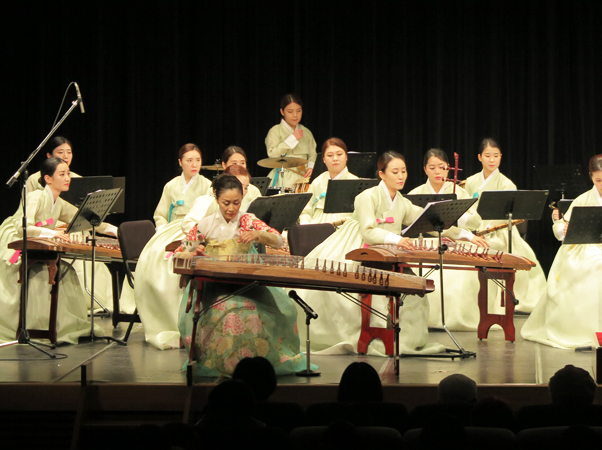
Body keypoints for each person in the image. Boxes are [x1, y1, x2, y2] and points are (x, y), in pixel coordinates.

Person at [294, 151, 485, 356]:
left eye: (403, 171)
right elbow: (368, 231)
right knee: (343, 294)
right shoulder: (366, 197)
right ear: (382, 174)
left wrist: (466, 235)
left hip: (387, 251)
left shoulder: (401, 201)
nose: (401, 176)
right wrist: (397, 239)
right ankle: (367, 335)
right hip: (356, 247)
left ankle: (403, 340)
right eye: (395, 172)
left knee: (413, 292)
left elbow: (430, 220)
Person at [175, 174, 309, 376]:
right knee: (231, 311)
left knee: (284, 311)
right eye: (225, 203)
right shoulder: (205, 225)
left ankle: (255, 364)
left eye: (236, 203)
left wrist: (258, 235)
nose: (231, 208)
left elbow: (278, 240)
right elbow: (179, 252)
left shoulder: (247, 219)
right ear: (216, 198)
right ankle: (223, 363)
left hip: (246, 282)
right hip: (215, 284)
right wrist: (193, 253)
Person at [0, 157, 116, 344]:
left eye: (68, 173)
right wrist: (51, 232)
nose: (67, 178)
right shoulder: (36, 196)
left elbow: (87, 218)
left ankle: (57, 325)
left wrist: (117, 231)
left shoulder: (59, 202)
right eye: (62, 174)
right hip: (15, 240)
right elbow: (24, 227)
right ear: (48, 178)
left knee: (66, 274)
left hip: (39, 243)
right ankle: (28, 326)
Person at [130, 144, 212, 350]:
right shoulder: (170, 186)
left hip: (195, 229)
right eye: (189, 160)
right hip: (172, 227)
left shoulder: (207, 185)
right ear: (180, 162)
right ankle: (159, 311)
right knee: (154, 257)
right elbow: (160, 213)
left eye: (198, 160)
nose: (194, 165)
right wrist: (162, 228)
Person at [521, 155, 602, 348]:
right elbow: (559, 227)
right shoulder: (583, 199)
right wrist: (563, 230)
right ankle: (589, 328)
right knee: (596, 265)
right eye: (598, 180)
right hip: (585, 248)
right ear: (591, 177)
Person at [464, 138, 546, 313]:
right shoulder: (470, 182)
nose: (492, 160)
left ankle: (502, 298)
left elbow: (506, 217)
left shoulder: (507, 184)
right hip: (474, 232)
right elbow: (467, 211)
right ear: (479, 157)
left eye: (496, 156)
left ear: (501, 157)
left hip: (499, 232)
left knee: (495, 247)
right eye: (487, 156)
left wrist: (486, 230)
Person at [408, 149, 487, 331]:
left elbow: (476, 220)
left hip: (455, 242)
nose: (438, 172)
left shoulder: (459, 192)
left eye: (442, 168)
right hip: (426, 244)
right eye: (432, 167)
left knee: (461, 277)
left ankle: (457, 320)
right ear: (425, 170)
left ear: (448, 170)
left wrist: (456, 214)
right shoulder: (415, 193)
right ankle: (426, 318)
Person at [181, 147, 261, 232]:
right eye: (239, 186)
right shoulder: (209, 200)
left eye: (246, 187)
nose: (243, 191)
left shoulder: (245, 210)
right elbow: (188, 224)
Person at [298, 137, 359, 225]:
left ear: (346, 157)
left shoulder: (355, 182)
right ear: (323, 159)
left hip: (345, 227)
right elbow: (306, 211)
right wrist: (305, 224)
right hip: (317, 226)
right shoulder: (318, 181)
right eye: (330, 155)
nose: (335, 158)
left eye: (339, 154)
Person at [265, 94, 317, 189]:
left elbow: (313, 154)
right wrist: (291, 139)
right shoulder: (276, 131)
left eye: (298, 111)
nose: (295, 115)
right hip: (283, 176)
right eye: (290, 111)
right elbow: (272, 154)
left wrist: (311, 167)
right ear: (282, 112)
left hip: (303, 177)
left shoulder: (306, 132)